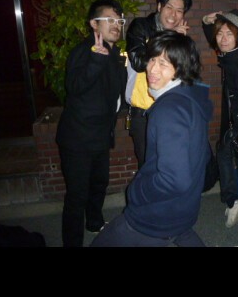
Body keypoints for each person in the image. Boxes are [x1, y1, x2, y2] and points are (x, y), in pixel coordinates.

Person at [91, 31, 213, 247]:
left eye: (164, 63)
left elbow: (174, 179)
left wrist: (137, 191)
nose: (153, 69)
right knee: (180, 232)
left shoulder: (169, 110)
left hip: (154, 216)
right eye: (152, 60)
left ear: (181, 68)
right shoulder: (191, 97)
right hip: (182, 209)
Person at [56, 0, 126, 247]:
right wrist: (96, 60)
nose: (116, 25)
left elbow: (115, 94)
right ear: (94, 24)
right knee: (77, 196)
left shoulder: (115, 54)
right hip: (78, 139)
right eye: (109, 19)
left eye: (119, 20)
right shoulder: (84, 51)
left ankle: (94, 222)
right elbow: (73, 87)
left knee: (99, 185)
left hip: (100, 137)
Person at [202, 9, 238, 228]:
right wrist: (207, 23)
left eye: (229, 34)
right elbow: (215, 39)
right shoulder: (231, 56)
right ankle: (236, 200)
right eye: (220, 33)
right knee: (225, 154)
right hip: (236, 121)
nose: (223, 39)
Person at [125, 0, 192, 169]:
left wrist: (180, 44)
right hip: (144, 112)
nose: (173, 15)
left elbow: (186, 73)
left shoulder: (179, 37)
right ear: (159, 6)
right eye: (169, 7)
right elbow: (139, 62)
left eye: (179, 10)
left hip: (171, 110)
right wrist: (168, 38)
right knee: (148, 165)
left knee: (168, 163)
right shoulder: (140, 26)